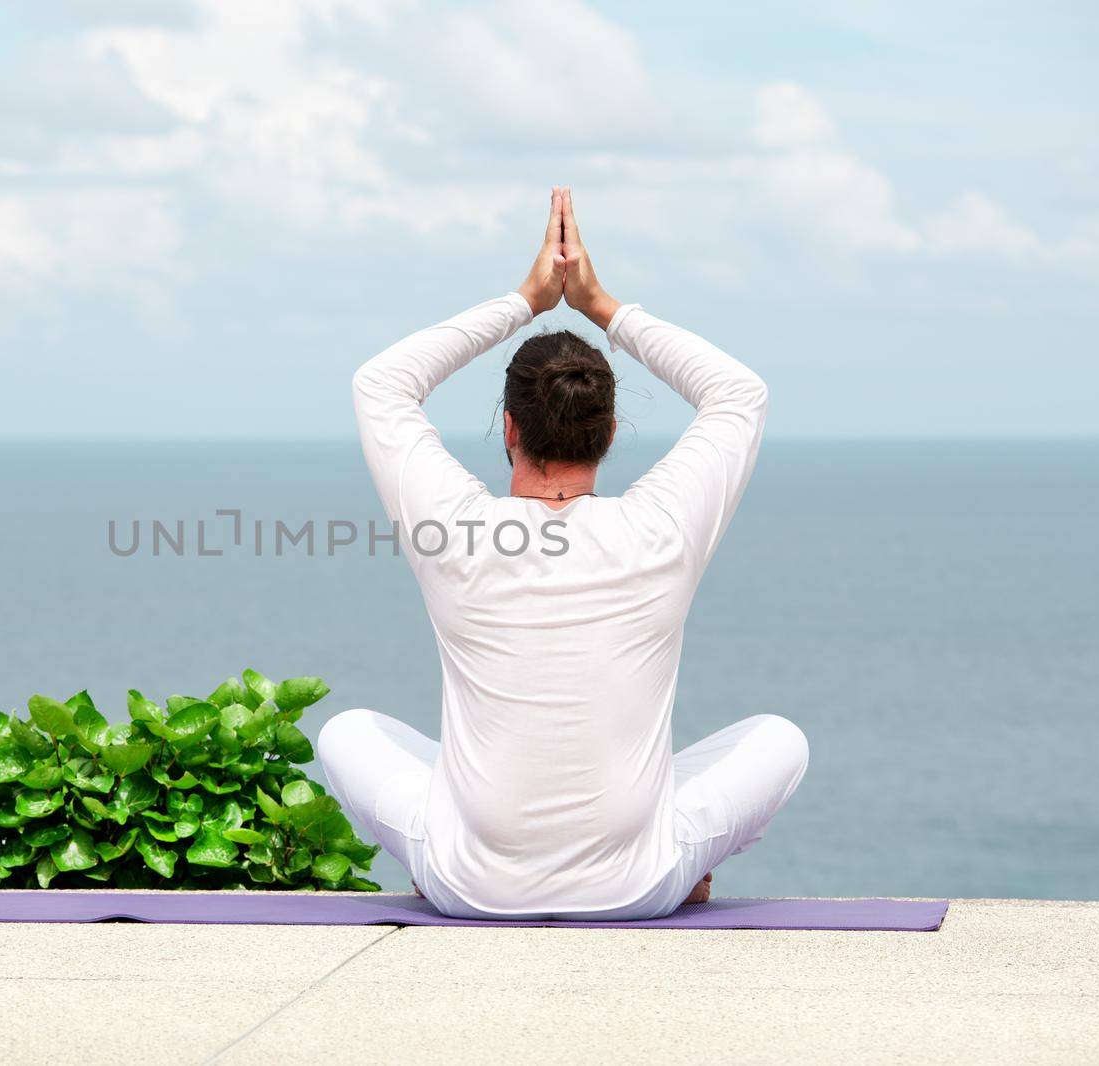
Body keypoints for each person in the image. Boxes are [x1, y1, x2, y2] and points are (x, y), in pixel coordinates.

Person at [317, 187, 808, 920]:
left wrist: (527, 299)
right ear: (609, 434)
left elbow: (380, 384)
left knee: (345, 731)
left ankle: (446, 858)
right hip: (636, 888)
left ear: (508, 428)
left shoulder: (458, 532)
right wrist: (602, 306)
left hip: (470, 887)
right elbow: (739, 394)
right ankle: (686, 864)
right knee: (780, 740)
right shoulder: (657, 531)